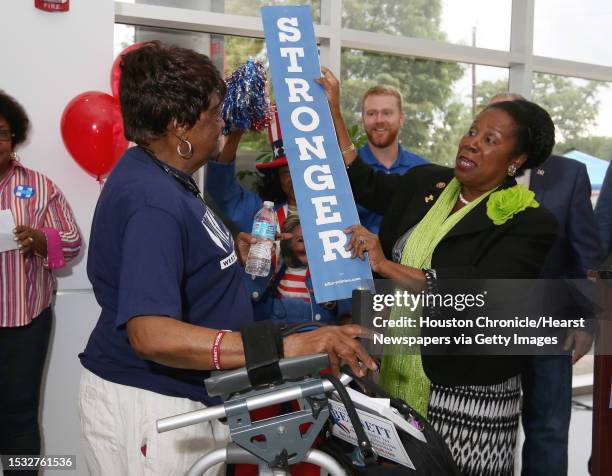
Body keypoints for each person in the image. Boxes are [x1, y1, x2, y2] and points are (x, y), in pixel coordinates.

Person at [78, 42, 376, 476]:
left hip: (183, 397)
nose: (221, 126)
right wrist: (284, 347)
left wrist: (219, 247)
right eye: (215, 115)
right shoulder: (152, 200)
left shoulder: (162, 175)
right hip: (151, 404)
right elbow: (152, 335)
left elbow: (175, 255)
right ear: (180, 126)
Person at [317, 67, 558, 476]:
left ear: (516, 160)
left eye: (490, 140)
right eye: (472, 131)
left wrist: (384, 263)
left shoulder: (531, 221)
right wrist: (334, 113)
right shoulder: (426, 182)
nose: (472, 143)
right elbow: (360, 179)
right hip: (390, 372)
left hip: (466, 391)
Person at [489, 92, 601, 476]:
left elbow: (585, 256)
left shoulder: (568, 174)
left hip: (551, 321)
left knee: (548, 429)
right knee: (484, 427)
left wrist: (585, 321)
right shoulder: (470, 172)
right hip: (485, 324)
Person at [0, 91, 82, 475]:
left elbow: (73, 241)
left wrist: (40, 239)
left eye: (1, 132)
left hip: (25, 321)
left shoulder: (39, 186)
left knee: (19, 417)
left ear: (14, 137)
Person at [356, 84, 428, 233]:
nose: (379, 120)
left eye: (387, 113)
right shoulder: (347, 169)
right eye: (371, 114)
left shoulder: (422, 170)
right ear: (363, 119)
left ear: (401, 119)